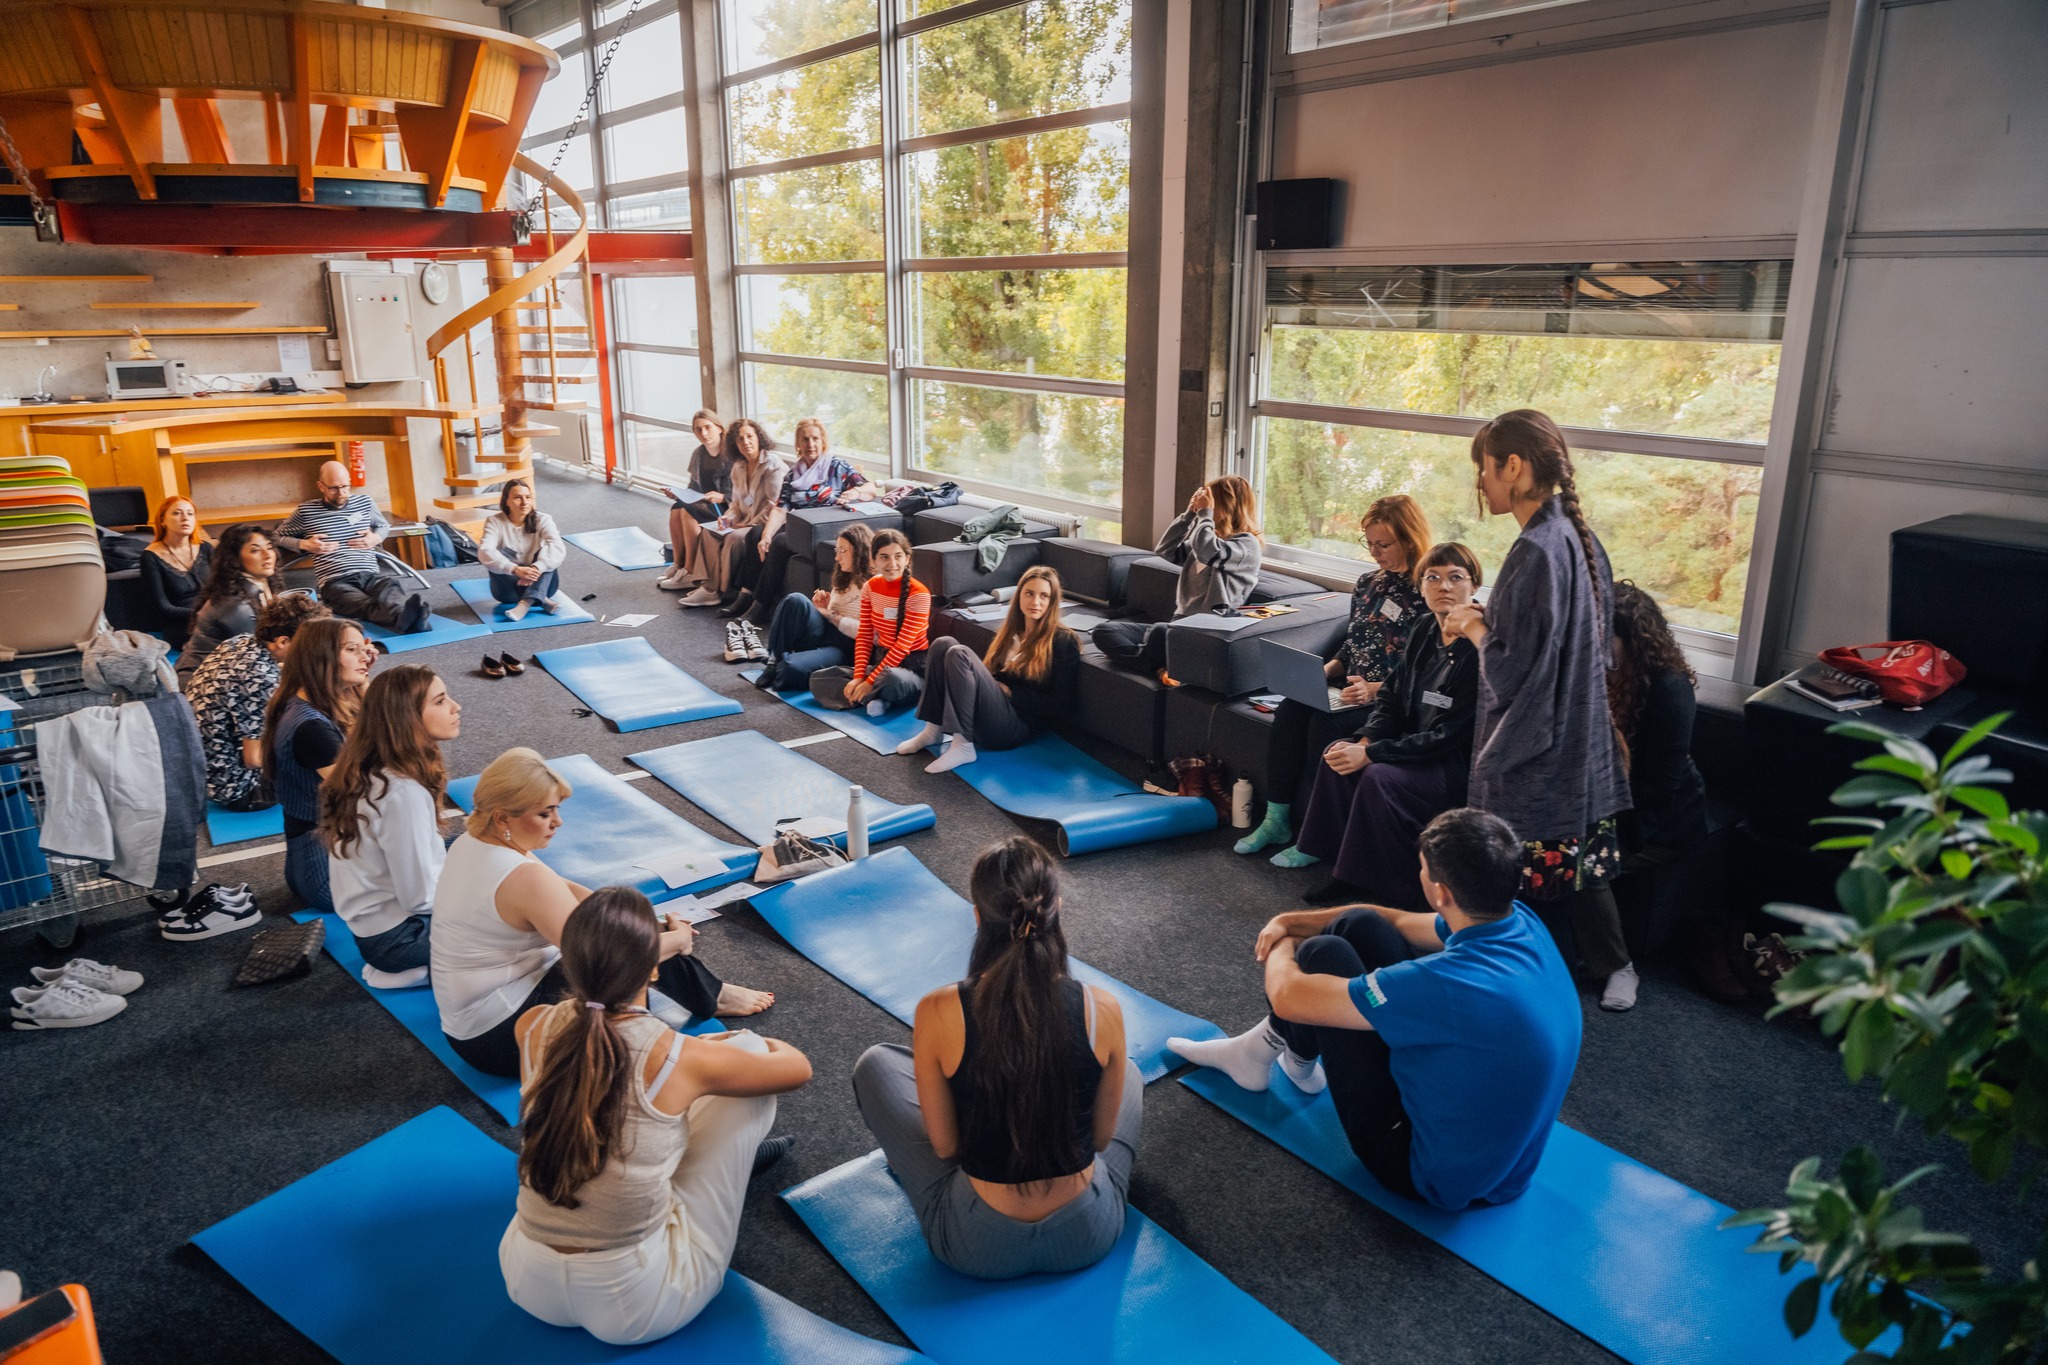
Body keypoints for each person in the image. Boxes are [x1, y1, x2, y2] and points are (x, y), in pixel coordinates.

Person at [1169, 808, 1581, 1212]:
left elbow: (1289, 996)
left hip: (1420, 1170)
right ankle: (1280, 1054)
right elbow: (1391, 920)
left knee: (1321, 953)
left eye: (1422, 869)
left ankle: (1263, 1053)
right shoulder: (1518, 921)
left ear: (1441, 893)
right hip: (1507, 1172)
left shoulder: (1444, 983)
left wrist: (1282, 942)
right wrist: (1288, 919)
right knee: (1359, 925)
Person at [500, 889, 810, 1346]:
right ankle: (722, 1167)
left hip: (525, 1279)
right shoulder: (675, 1056)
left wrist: (696, 1059)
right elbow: (796, 1067)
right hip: (637, 1304)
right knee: (747, 1057)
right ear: (653, 969)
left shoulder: (533, 1025)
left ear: (569, 963)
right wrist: (723, 1046)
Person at [852, 836, 1141, 1279]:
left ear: (977, 917)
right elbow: (1100, 1141)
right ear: (1056, 908)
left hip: (976, 1247)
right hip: (1087, 1236)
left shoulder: (937, 1009)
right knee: (1130, 1076)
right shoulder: (1103, 1008)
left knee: (877, 1063)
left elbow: (946, 1146)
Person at [1445, 409, 1636, 1011]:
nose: (1481, 482)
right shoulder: (1575, 534)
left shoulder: (1535, 550)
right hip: (1579, 728)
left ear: (1515, 467)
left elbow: (1511, 668)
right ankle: (1615, 967)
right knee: (1580, 862)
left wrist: (1474, 625)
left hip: (1542, 739)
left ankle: (1503, 972)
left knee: (1514, 862)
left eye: (1485, 468)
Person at [431, 749, 776, 1078]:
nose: (558, 822)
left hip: (477, 1024)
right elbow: (607, 960)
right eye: (544, 814)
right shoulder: (522, 877)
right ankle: (700, 1007)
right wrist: (677, 939)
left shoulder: (476, 841)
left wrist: (647, 923)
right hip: (500, 1041)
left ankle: (710, 994)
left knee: (625, 920)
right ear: (504, 817)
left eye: (556, 809)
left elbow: (570, 891)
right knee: (624, 952)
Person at [1272, 543, 1484, 908]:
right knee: (1337, 753)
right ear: (1421, 587)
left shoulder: (1481, 650)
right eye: (1433, 577)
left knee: (1376, 776)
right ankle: (1328, 855)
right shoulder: (1423, 628)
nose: (1443, 586)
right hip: (1409, 746)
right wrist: (1366, 738)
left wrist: (1371, 753)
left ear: (1474, 587)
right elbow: (1391, 696)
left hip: (1450, 765)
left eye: (1455, 578)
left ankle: (1360, 881)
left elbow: (1449, 736)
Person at [1237, 495, 1431, 855]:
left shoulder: (1428, 591)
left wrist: (1375, 689)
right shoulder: (1368, 583)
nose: (1374, 551)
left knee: (1323, 726)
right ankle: (1277, 820)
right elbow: (1353, 643)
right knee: (1291, 710)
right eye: (1368, 542)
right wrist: (1322, 670)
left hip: (1389, 702)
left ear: (1409, 538)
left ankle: (1316, 837)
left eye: (1382, 544)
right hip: (1346, 690)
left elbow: (1425, 668)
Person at [1604, 582, 1727, 996]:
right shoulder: (1604, 675)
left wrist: (1590, 800)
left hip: (1660, 820)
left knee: (1582, 861)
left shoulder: (1670, 690)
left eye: (1608, 639)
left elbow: (1659, 789)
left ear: (1635, 642)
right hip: (1609, 801)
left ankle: (1620, 967)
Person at [322, 664, 462, 990]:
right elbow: (419, 898)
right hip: (399, 940)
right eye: (440, 701)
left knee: (480, 850)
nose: (456, 707)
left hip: (380, 930)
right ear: (408, 718)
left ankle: (421, 968)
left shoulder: (375, 765)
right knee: (516, 928)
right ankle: (424, 969)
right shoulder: (403, 792)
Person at [895, 565, 1080, 775]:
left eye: (1043, 596)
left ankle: (963, 745)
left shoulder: (1063, 641)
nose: (1035, 602)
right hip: (991, 713)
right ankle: (932, 731)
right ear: (1019, 596)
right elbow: (990, 676)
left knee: (960, 653)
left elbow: (1061, 705)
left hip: (1013, 727)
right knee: (942, 644)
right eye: (1029, 593)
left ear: (1052, 601)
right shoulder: (1011, 632)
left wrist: (1011, 692)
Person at [1092, 475, 1262, 686]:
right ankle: (1158, 669)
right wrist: (1189, 515)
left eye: (1210, 501)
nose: (1205, 505)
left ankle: (1148, 657)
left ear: (1227, 506)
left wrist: (1204, 515)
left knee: (1159, 632)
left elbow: (1209, 553)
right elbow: (1165, 550)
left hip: (1206, 633)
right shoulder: (1206, 540)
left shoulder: (1246, 546)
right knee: (1104, 631)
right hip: (1178, 626)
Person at [260, 616, 373, 914]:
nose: (364, 656)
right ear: (321, 657)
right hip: (327, 878)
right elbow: (366, 796)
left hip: (321, 858)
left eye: (364, 649)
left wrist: (362, 678)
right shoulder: (313, 729)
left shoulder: (306, 700)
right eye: (352, 649)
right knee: (455, 854)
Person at [187, 594, 331, 812]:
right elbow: (254, 759)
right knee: (318, 744)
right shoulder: (259, 678)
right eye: (308, 646)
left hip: (204, 767)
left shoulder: (240, 642)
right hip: (241, 789)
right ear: (283, 641)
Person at [737, 417, 879, 626]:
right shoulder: (793, 474)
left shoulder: (836, 467)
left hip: (823, 528)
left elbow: (870, 488)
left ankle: (760, 605)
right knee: (755, 535)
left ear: (823, 441)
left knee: (781, 541)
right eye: (805, 440)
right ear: (798, 444)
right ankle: (745, 595)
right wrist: (766, 535)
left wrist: (854, 491)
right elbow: (781, 507)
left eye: (815, 439)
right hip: (799, 525)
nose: (810, 444)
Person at [273, 460, 430, 634]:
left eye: (345, 487)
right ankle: (410, 620)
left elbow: (383, 525)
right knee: (356, 602)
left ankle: (403, 619)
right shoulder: (306, 511)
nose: (341, 493)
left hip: (370, 573)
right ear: (321, 486)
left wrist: (376, 537)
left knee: (389, 586)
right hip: (335, 580)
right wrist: (303, 544)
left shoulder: (365, 502)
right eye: (333, 488)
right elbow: (277, 536)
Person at [808, 528, 928, 717]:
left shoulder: (919, 594)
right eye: (884, 557)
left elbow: (902, 647)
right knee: (819, 678)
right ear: (873, 560)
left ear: (907, 558)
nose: (892, 564)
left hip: (910, 667)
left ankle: (871, 696)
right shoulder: (870, 587)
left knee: (892, 679)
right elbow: (864, 636)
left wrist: (869, 681)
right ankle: (876, 699)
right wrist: (858, 678)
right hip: (880, 662)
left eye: (898, 556)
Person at [678, 420, 784, 613]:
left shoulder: (772, 465)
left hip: (764, 524)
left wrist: (745, 524)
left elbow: (774, 505)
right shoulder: (739, 466)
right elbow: (735, 503)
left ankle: (721, 589)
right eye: (740, 439)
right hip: (742, 522)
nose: (746, 442)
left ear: (759, 438)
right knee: (709, 532)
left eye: (750, 436)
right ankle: (708, 588)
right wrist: (728, 518)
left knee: (734, 538)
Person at [754, 523, 872, 693]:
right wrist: (823, 608)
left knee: (790, 669)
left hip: (846, 648)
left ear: (859, 552)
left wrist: (831, 615)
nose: (837, 558)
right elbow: (830, 612)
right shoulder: (844, 576)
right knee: (796, 600)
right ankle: (774, 661)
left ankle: (787, 662)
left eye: (843, 551)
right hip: (825, 632)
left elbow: (867, 634)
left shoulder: (874, 586)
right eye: (836, 551)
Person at [177, 523, 282, 680]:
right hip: (201, 682)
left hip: (231, 671)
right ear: (235, 559)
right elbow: (256, 658)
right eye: (255, 550)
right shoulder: (236, 605)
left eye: (269, 547)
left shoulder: (258, 584)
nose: (267, 555)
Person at [656, 411, 731, 592]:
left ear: (719, 428)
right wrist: (678, 495)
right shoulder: (699, 454)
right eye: (698, 430)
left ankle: (690, 571)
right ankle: (679, 564)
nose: (704, 434)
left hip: (726, 506)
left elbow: (745, 491)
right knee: (677, 508)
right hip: (704, 502)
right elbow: (693, 487)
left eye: (708, 428)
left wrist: (723, 497)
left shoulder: (731, 455)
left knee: (687, 511)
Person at [477, 479, 570, 622]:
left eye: (528, 497)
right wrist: (514, 569)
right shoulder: (494, 521)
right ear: (506, 500)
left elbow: (557, 546)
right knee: (496, 554)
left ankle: (525, 604)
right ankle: (541, 599)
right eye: (517, 498)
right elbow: (485, 550)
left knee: (547, 553)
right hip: (508, 592)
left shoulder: (543, 519)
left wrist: (537, 568)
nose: (524, 502)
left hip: (543, 583)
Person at [136, 495, 213, 649]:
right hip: (181, 622)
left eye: (190, 514)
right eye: (177, 513)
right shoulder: (151, 556)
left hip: (215, 614)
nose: (185, 518)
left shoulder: (206, 548)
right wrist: (201, 614)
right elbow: (161, 607)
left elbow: (227, 586)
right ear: (163, 520)